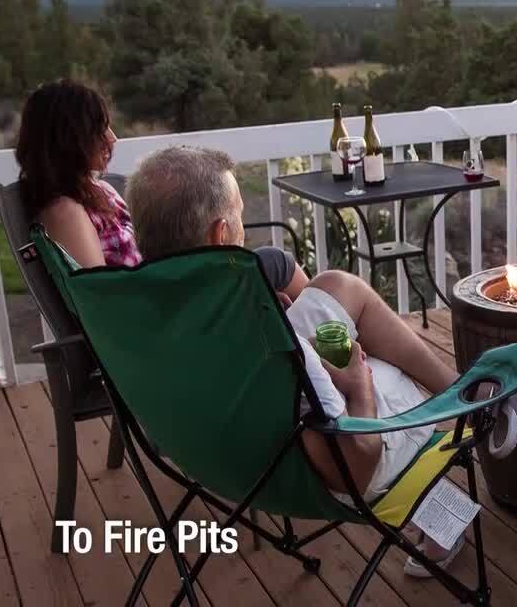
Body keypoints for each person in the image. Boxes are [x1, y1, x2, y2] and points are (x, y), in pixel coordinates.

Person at [124, 145, 464, 577]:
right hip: (320, 470)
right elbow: (355, 471)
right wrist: (358, 386)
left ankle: (457, 387)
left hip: (212, 455)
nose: (245, 228)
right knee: (386, 368)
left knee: (337, 287)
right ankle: (459, 421)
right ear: (219, 233)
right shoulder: (266, 336)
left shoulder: (136, 314)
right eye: (240, 217)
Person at [13, 78, 307, 303]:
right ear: (68, 138)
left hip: (166, 294)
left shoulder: (94, 190)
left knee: (273, 268)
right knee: (275, 263)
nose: (113, 139)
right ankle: (332, 352)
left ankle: (317, 350)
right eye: (99, 130)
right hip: (162, 315)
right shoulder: (66, 214)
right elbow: (102, 306)